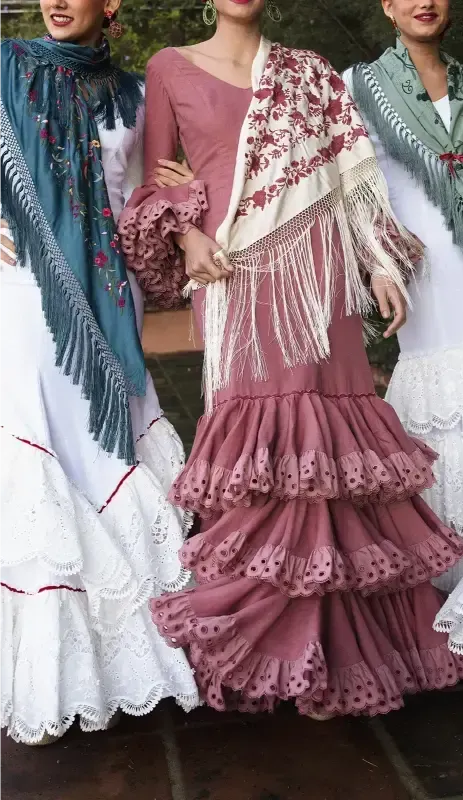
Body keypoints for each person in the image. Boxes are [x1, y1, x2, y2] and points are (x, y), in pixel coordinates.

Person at [119, 0, 463, 719]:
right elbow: (151, 185)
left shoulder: (308, 72)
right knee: (263, 456)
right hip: (236, 277)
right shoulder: (168, 68)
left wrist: (378, 264)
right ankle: (262, 645)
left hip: (324, 280)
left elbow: (352, 175)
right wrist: (187, 239)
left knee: (332, 460)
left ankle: (344, 645)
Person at [0, 0, 200, 745]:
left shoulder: (135, 96)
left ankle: (122, 659)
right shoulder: (6, 67)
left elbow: (143, 198)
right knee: (41, 460)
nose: (55, 0)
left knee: (104, 456)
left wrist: (175, 196)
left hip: (109, 305)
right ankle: (45, 675)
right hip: (23, 299)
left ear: (108, 4)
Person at [345, 0, 463, 676]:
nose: (424, 1)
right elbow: (349, 188)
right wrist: (375, 263)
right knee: (456, 413)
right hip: (427, 265)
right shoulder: (357, 85)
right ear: (388, 8)